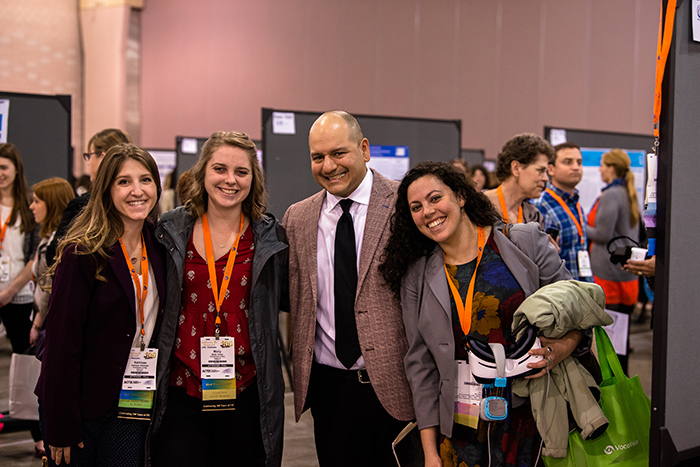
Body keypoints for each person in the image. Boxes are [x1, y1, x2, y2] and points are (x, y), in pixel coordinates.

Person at [380, 161, 588, 467]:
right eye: (416, 206)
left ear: (461, 196)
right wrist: (430, 453)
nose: (428, 212)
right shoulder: (417, 276)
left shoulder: (524, 242)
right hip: (461, 425)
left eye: (436, 198)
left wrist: (558, 350)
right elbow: (420, 366)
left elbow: (578, 310)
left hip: (532, 414)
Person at [283, 111, 415, 466]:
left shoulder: (406, 205)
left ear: (364, 149)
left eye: (338, 153)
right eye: (317, 157)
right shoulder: (298, 217)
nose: (328, 166)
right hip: (329, 390)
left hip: (396, 386)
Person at [151, 131, 288, 467]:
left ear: (253, 179)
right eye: (220, 169)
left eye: (241, 172)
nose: (230, 180)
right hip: (181, 386)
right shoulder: (171, 229)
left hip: (246, 388)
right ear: (203, 173)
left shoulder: (270, 236)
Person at [35, 144, 165, 466]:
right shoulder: (83, 252)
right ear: (106, 189)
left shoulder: (161, 246)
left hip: (135, 398)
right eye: (124, 182)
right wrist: (61, 424)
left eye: (146, 180)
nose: (137, 191)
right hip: (82, 403)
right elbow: (62, 344)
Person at [46, 128, 132, 266]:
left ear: (102, 157)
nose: (88, 162)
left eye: (89, 156)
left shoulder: (84, 205)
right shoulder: (138, 204)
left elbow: (55, 255)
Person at [586, 148, 640, 371]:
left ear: (611, 168)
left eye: (602, 165)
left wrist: (579, 225)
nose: (599, 169)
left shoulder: (611, 195)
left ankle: (614, 395)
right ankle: (621, 390)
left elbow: (603, 234)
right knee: (621, 342)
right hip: (626, 277)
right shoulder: (628, 192)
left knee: (611, 346)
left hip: (608, 277)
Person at [532, 142, 594, 281]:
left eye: (579, 162)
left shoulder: (575, 203)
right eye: (568, 162)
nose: (576, 167)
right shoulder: (541, 206)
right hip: (560, 295)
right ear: (551, 169)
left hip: (582, 289)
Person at [0, 143, 40, 354]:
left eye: (4, 167)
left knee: (24, 353)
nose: (0, 174)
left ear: (16, 169)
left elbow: (36, 253)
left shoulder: (29, 204)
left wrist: (9, 292)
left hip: (19, 293)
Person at [29, 177, 75, 348]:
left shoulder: (58, 244)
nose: (31, 207)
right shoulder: (46, 238)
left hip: (48, 321)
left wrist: (37, 323)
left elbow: (49, 288)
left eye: (36, 201)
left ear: (52, 203)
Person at [484, 134, 553, 227]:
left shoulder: (533, 216)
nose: (546, 178)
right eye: (540, 170)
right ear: (516, 168)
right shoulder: (478, 206)